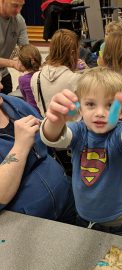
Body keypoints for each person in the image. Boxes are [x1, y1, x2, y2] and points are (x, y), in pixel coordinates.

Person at [40, 67, 122, 238]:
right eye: (91, 104)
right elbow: (54, 138)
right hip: (82, 212)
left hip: (114, 220)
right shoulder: (79, 131)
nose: (100, 113)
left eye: (110, 105)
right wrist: (55, 119)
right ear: (80, 109)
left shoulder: (117, 135)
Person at [0, 90, 76, 224]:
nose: (1, 85)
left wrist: (55, 122)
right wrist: (20, 146)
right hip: (32, 224)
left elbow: (47, 138)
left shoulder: (11, 103)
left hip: (67, 196)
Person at [31, 29, 82, 116]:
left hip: (47, 125)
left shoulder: (35, 77)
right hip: (72, 127)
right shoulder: (76, 79)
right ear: (72, 53)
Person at [0, 0, 28, 94]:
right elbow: (12, 63)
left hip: (3, 73)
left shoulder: (19, 20)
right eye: (15, 5)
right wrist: (12, 63)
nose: (18, 10)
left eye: (21, 6)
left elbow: (26, 48)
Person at [18, 44, 42, 112]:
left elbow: (25, 98)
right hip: (45, 111)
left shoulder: (22, 79)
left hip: (32, 113)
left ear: (21, 63)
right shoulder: (43, 75)